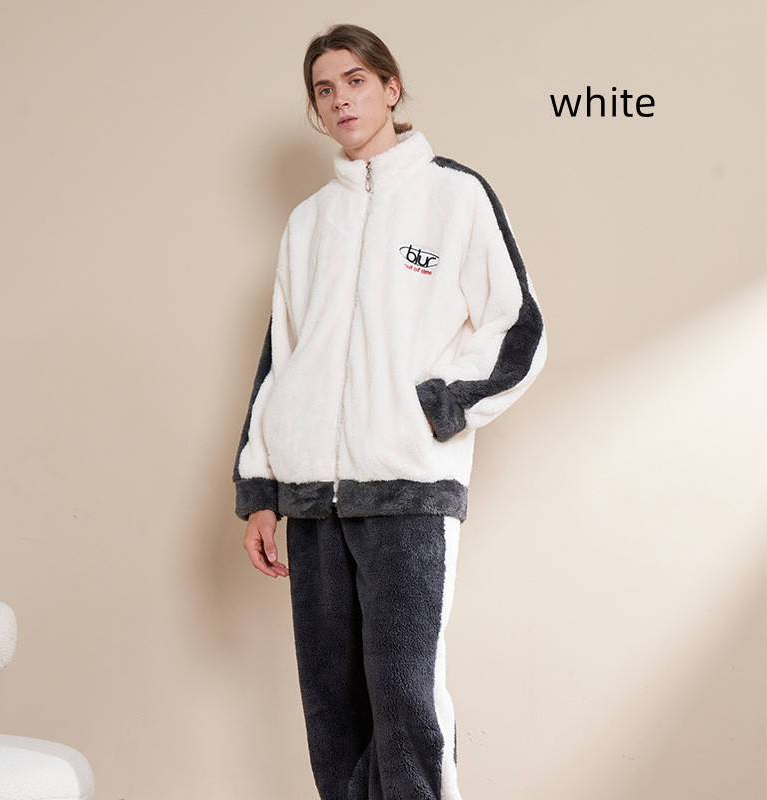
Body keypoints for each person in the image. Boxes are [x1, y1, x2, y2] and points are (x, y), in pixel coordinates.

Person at [233, 23, 546, 800]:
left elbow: (519, 327)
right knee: (332, 710)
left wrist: (440, 407)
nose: (341, 99)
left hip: (407, 487)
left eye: (356, 81)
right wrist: (261, 491)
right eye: (325, 89)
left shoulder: (453, 195)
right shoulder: (309, 222)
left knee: (406, 703)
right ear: (316, 108)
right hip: (311, 497)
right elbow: (281, 358)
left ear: (390, 87)